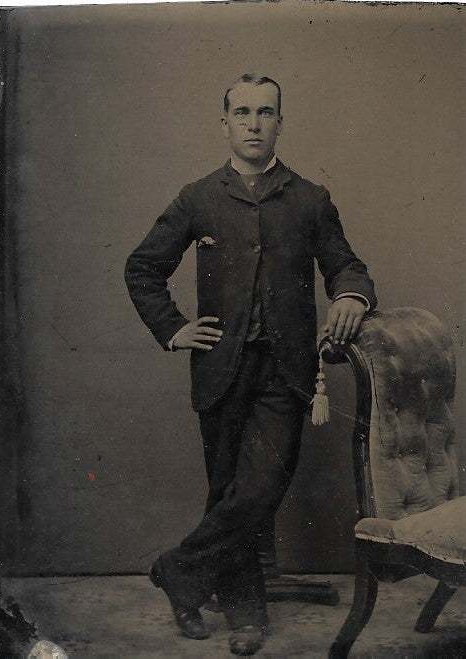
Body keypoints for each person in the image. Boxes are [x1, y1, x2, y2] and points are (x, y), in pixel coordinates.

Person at [125, 73, 377, 655]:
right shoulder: (198, 196)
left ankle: (176, 571)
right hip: (219, 368)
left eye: (266, 113)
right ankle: (240, 613)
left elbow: (348, 266)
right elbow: (142, 268)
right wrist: (172, 329)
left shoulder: (310, 198)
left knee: (259, 488)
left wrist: (348, 295)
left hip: (285, 373)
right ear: (225, 123)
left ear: (280, 123)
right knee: (227, 492)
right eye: (242, 112)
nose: (254, 123)